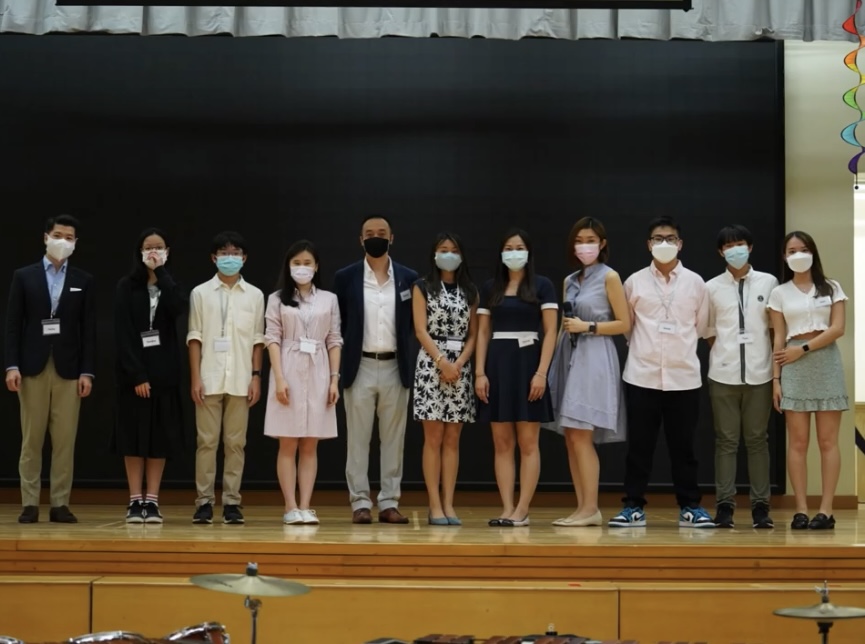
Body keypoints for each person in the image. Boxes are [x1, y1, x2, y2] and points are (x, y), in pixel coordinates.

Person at [609, 216, 714, 528]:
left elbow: (700, 327)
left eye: (670, 238)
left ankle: (690, 506)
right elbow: (627, 327)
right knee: (639, 447)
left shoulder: (696, 283)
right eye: (658, 238)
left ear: (680, 244)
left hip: (684, 377)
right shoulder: (634, 282)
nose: (664, 243)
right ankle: (633, 506)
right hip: (642, 375)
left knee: (685, 448)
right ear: (648, 244)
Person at [4, 214, 96, 524]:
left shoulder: (83, 280)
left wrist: (87, 371)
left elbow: (88, 330)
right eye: (58, 235)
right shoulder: (24, 276)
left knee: (64, 441)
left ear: (75, 243)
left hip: (69, 369)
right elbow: (13, 324)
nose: (63, 242)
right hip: (32, 367)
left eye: (69, 238)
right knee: (31, 440)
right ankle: (29, 502)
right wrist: (12, 366)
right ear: (46, 237)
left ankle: (60, 503)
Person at [545, 218, 629, 527]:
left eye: (591, 240)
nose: (585, 246)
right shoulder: (569, 280)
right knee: (571, 435)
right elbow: (564, 323)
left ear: (602, 243)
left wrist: (589, 326)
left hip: (595, 356)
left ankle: (591, 507)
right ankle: (581, 507)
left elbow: (624, 323)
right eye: (579, 241)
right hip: (569, 354)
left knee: (582, 433)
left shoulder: (610, 277)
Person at [334, 215, 418, 524]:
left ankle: (389, 502)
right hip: (360, 365)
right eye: (369, 233)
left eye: (381, 233)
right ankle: (359, 502)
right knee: (357, 439)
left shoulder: (409, 278)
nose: (375, 237)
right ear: (361, 240)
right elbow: (338, 323)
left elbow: (414, 324)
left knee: (394, 440)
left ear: (391, 238)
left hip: (396, 364)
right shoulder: (346, 277)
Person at [475, 228, 558, 528]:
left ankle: (523, 509)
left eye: (519, 247)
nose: (514, 252)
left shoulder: (543, 285)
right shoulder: (490, 287)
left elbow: (551, 331)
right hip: (497, 365)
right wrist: (480, 372)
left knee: (528, 442)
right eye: (508, 247)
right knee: (501, 442)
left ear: (529, 252)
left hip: (528, 365)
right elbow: (483, 332)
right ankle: (507, 507)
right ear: (501, 253)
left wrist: (541, 373)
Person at [768, 231, 848, 530]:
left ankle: (826, 510)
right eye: (792, 251)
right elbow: (778, 337)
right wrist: (776, 379)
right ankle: (801, 510)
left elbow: (837, 328)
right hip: (791, 364)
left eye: (803, 249)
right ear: (784, 256)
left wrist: (803, 349)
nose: (798, 255)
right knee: (798, 442)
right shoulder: (779, 292)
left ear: (813, 252)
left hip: (825, 360)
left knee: (828, 441)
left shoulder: (832, 287)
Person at [187, 231, 265, 525]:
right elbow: (194, 337)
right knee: (206, 442)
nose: (229, 257)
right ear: (214, 258)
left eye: (235, 253)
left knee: (236, 444)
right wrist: (195, 377)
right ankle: (204, 502)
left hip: (241, 378)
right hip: (208, 377)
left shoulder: (255, 295)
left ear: (244, 258)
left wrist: (256, 377)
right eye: (224, 252)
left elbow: (258, 340)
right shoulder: (200, 293)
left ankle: (232, 502)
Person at [704, 225, 778, 530]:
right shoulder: (711, 287)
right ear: (721, 252)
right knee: (726, 441)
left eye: (740, 244)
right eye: (728, 246)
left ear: (750, 247)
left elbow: (774, 328)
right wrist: (726, 354)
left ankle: (761, 507)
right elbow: (709, 331)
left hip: (760, 374)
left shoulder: (769, 282)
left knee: (758, 440)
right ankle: (725, 506)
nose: (735, 250)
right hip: (723, 375)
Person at [264, 240, 343, 525]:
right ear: (288, 266)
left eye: (307, 263)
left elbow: (334, 339)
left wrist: (334, 380)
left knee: (310, 444)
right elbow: (272, 338)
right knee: (288, 443)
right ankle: (290, 506)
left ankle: (306, 506)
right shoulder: (276, 299)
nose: (302, 268)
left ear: (316, 266)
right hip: (288, 367)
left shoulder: (329, 299)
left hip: (319, 369)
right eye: (296, 263)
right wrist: (279, 378)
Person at [114, 228, 188, 524]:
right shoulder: (126, 286)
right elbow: (123, 333)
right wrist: (137, 375)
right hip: (133, 377)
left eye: (159, 247)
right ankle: (135, 499)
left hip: (164, 375)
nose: (153, 252)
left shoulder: (171, 285)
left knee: (160, 438)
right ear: (140, 252)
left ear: (167, 252)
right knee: (133, 438)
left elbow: (179, 307)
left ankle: (153, 500)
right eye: (148, 247)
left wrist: (162, 274)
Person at [412, 232, 478, 526]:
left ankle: (449, 503)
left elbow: (474, 334)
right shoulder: (422, 286)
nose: (448, 254)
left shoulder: (470, 291)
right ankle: (434, 504)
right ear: (434, 254)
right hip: (431, 364)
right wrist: (441, 362)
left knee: (453, 439)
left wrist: (459, 363)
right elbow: (420, 330)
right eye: (443, 249)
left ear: (461, 255)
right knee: (434, 437)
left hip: (460, 366)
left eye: (453, 250)